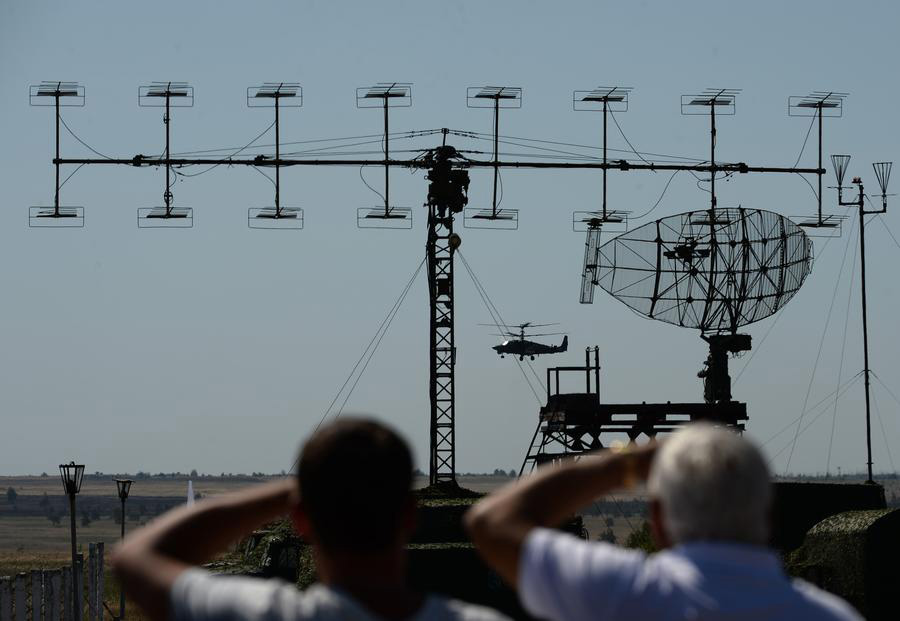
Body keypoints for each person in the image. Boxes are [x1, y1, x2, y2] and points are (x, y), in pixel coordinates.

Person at [113, 418, 507, 621]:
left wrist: (296, 490)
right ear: (409, 515)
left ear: (301, 520)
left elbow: (135, 558)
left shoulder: (262, 613)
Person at [464, 423, 862, 621]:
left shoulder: (618, 592)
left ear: (656, 518)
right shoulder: (834, 616)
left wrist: (628, 462)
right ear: (770, 514)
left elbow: (491, 521)